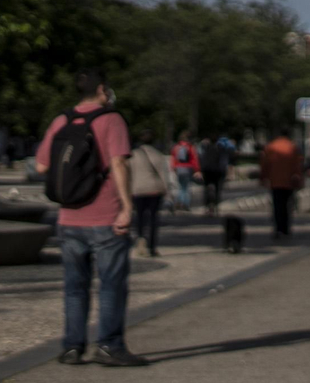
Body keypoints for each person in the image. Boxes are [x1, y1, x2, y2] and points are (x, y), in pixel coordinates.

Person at [36, 71, 148, 367]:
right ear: (101, 90)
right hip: (105, 218)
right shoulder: (110, 119)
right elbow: (119, 164)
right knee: (111, 284)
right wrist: (126, 206)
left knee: (75, 287)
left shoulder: (62, 120)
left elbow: (41, 164)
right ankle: (110, 346)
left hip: (69, 219)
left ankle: (73, 347)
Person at [126, 132, 170, 257]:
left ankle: (140, 240)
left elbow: (129, 175)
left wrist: (128, 190)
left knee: (139, 217)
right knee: (153, 219)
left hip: (138, 189)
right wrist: (166, 191)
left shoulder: (133, 155)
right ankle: (152, 246)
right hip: (155, 190)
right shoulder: (158, 155)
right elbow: (163, 175)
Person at [259, 130, 305, 238]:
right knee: (287, 205)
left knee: (277, 206)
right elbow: (297, 165)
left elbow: (265, 164)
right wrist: (300, 179)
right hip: (289, 181)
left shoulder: (271, 147)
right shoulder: (292, 147)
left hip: (275, 181)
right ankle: (286, 228)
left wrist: (263, 177)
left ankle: (278, 228)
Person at [198, 134, 231, 214]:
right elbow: (223, 162)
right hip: (217, 171)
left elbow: (202, 159)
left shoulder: (206, 149)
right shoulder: (220, 149)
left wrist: (201, 170)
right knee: (217, 189)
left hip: (207, 171)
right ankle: (215, 206)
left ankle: (207, 206)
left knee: (206, 189)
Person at [169, 133, 199, 212]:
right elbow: (194, 159)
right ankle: (185, 203)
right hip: (187, 168)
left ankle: (178, 202)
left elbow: (173, 158)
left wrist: (173, 167)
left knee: (180, 187)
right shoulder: (189, 147)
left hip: (179, 168)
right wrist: (196, 169)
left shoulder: (176, 147)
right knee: (186, 187)